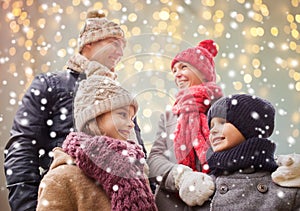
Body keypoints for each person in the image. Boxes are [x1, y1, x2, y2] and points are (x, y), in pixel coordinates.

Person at [4, 10, 146, 211]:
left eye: (123, 47)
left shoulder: (120, 96)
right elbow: (22, 146)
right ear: (89, 43)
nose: (120, 52)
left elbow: (139, 151)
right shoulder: (50, 84)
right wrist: (28, 206)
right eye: (114, 43)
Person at [36, 65, 157, 210]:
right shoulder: (60, 179)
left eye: (132, 117)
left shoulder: (137, 170)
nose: (131, 124)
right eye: (122, 114)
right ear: (94, 117)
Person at [147, 40, 224, 210]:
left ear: (203, 72)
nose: (177, 74)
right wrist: (180, 176)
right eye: (174, 70)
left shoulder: (225, 110)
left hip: (216, 202)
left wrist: (209, 182)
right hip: (171, 203)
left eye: (183, 67)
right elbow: (153, 160)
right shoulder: (169, 116)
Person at [203, 94, 300, 210]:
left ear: (249, 128)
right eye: (211, 126)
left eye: (223, 122)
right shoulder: (204, 187)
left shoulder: (285, 184)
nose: (213, 130)